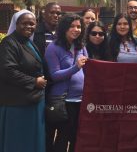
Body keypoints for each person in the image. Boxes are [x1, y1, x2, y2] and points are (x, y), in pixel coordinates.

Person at [0, 10, 47, 152]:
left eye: (32, 24)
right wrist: (34, 81)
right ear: (16, 24)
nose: (29, 27)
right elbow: (7, 71)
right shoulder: (9, 43)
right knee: (18, 142)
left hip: (33, 101)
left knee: (31, 140)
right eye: (24, 23)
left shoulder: (29, 42)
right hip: (17, 104)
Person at [45, 14, 88, 152]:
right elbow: (54, 75)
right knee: (63, 138)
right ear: (64, 28)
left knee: (77, 137)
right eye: (72, 26)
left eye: (79, 26)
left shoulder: (81, 46)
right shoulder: (53, 47)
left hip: (80, 100)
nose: (76, 29)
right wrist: (75, 67)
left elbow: (87, 69)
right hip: (63, 100)